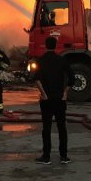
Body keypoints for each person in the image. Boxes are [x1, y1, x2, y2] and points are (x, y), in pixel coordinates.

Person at [33, 36, 74, 165]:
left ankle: (46, 157)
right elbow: (72, 78)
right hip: (60, 100)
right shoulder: (61, 60)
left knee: (46, 128)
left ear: (46, 45)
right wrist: (65, 93)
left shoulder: (41, 60)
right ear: (55, 46)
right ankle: (64, 156)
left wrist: (43, 94)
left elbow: (36, 79)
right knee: (62, 128)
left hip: (47, 100)